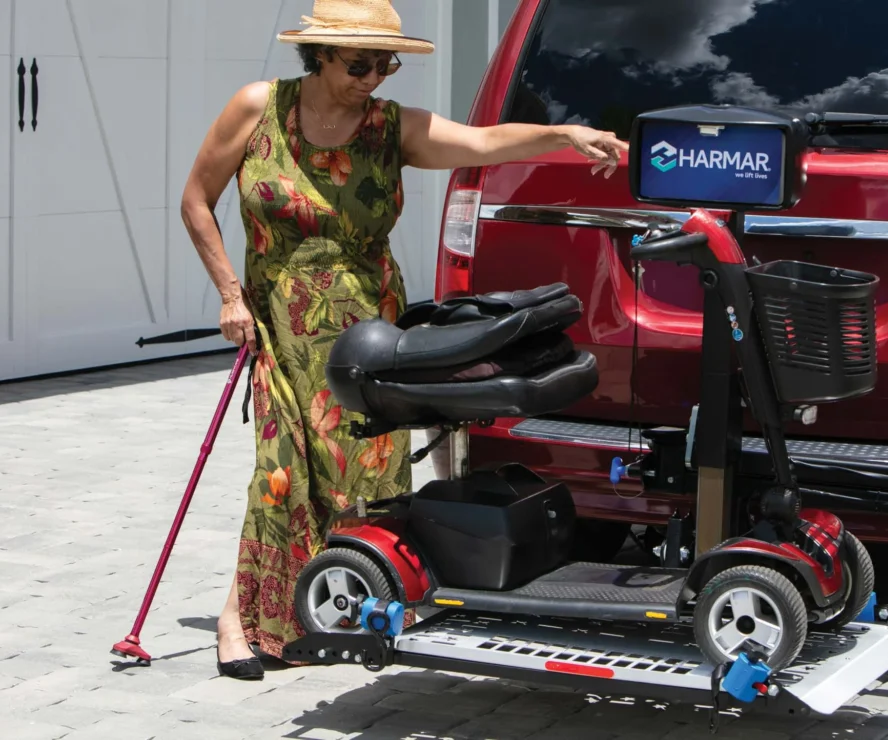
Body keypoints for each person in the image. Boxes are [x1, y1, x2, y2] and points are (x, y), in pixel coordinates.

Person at [180, 0, 628, 680]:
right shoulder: (257, 109)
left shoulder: (391, 129)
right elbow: (195, 200)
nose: (375, 78)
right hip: (280, 328)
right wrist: (229, 295)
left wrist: (562, 134)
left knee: (362, 471)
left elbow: (480, 144)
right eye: (360, 64)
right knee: (280, 476)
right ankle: (239, 617)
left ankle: (352, 600)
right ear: (321, 57)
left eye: (386, 64)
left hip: (367, 333)